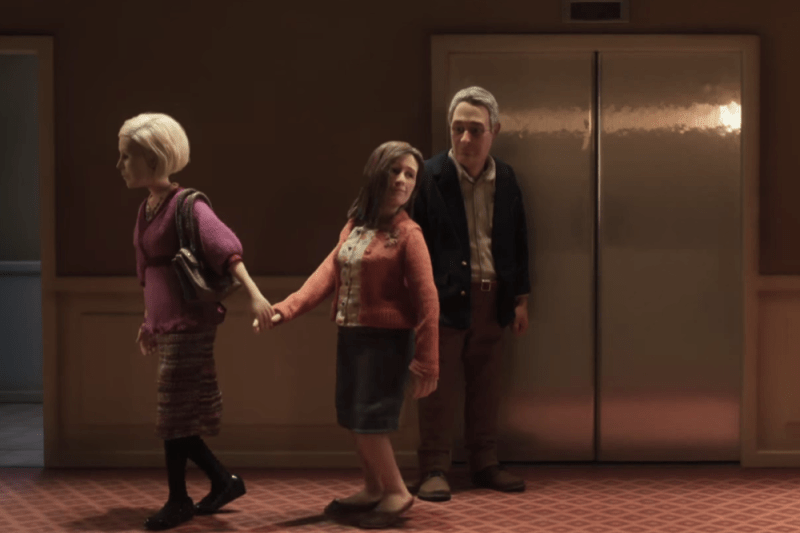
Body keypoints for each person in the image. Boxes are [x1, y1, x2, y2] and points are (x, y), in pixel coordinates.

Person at [264, 141, 439, 529]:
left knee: (369, 420)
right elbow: (328, 273)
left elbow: (428, 300)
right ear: (377, 172)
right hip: (352, 337)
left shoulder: (408, 234)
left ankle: (396, 492)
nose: (402, 180)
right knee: (352, 414)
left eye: (410, 174)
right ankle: (374, 487)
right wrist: (286, 308)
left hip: (386, 344)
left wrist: (427, 361)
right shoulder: (355, 227)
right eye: (395, 170)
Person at [118, 113, 276, 531]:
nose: (121, 165)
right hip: (167, 325)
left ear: (154, 159)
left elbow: (227, 251)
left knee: (173, 414)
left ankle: (179, 500)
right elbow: (150, 275)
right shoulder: (145, 209)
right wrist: (148, 323)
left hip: (191, 325)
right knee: (178, 415)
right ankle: (223, 482)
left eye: (127, 156)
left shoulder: (187, 204)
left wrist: (255, 295)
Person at [413, 86, 531, 501]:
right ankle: (433, 467)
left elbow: (518, 239)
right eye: (457, 128)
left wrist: (520, 299)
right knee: (437, 387)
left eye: (476, 129)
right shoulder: (428, 176)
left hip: (492, 298)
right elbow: (413, 242)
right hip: (442, 301)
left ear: (494, 131)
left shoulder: (507, 178)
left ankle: (485, 462)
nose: (465, 138)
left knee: (487, 385)